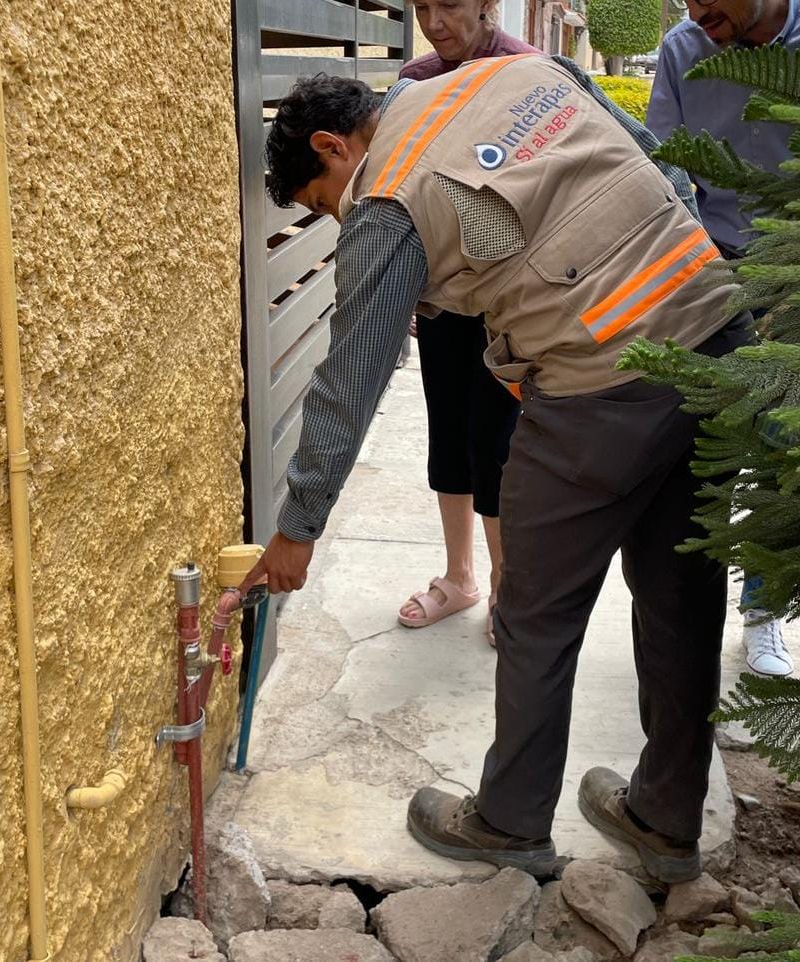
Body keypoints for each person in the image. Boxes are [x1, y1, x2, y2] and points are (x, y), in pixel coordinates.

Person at [247, 52, 754, 882]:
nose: (339, 219)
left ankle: (512, 820)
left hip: (602, 383)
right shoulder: (512, 76)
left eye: (320, 204)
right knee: (681, 596)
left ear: (335, 147)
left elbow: (350, 380)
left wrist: (298, 530)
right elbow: (652, 165)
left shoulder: (384, 197)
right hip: (712, 331)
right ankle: (665, 819)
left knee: (535, 613)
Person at [647, 0, 800, 677]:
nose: (698, 11)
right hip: (712, 270)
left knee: (787, 458)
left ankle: (765, 614)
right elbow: (662, 169)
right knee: (703, 447)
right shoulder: (683, 48)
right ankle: (685, 616)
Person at [393, 1, 538, 644]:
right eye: (422, 5)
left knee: (500, 441)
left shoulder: (529, 74)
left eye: (448, 3)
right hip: (441, 295)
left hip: (510, 302)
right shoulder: (414, 83)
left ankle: (507, 583)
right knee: (446, 428)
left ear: (488, 4)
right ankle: (460, 577)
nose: (434, 20)